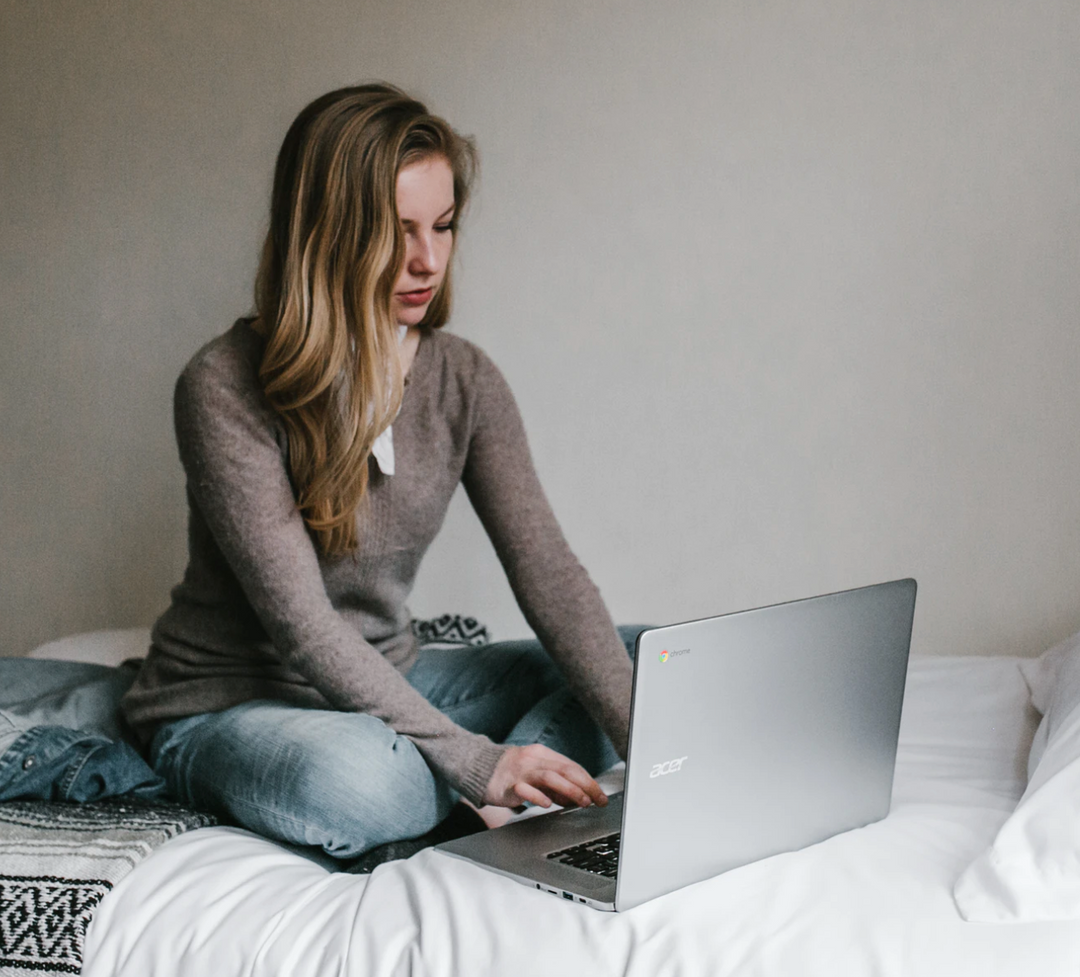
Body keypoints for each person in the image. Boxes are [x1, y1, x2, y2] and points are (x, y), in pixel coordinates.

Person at [121, 83, 636, 860]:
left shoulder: (464, 378)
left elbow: (548, 572)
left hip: (395, 679)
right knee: (366, 784)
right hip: (232, 703)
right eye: (397, 233)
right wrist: (474, 759)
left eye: (445, 226)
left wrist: (658, 746)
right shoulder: (223, 384)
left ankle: (526, 796)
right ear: (326, 234)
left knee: (653, 660)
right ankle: (486, 781)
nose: (428, 259)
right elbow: (303, 627)